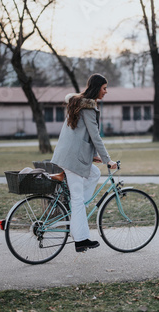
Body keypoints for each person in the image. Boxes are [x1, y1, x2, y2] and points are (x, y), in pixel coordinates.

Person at [51, 74, 118, 253]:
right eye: (104, 88)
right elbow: (95, 136)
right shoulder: (88, 108)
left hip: (68, 154)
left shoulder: (78, 103)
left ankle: (78, 211)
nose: (106, 91)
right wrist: (107, 159)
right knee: (78, 200)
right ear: (96, 88)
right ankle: (80, 240)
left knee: (94, 173)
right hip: (73, 159)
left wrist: (93, 156)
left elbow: (82, 134)